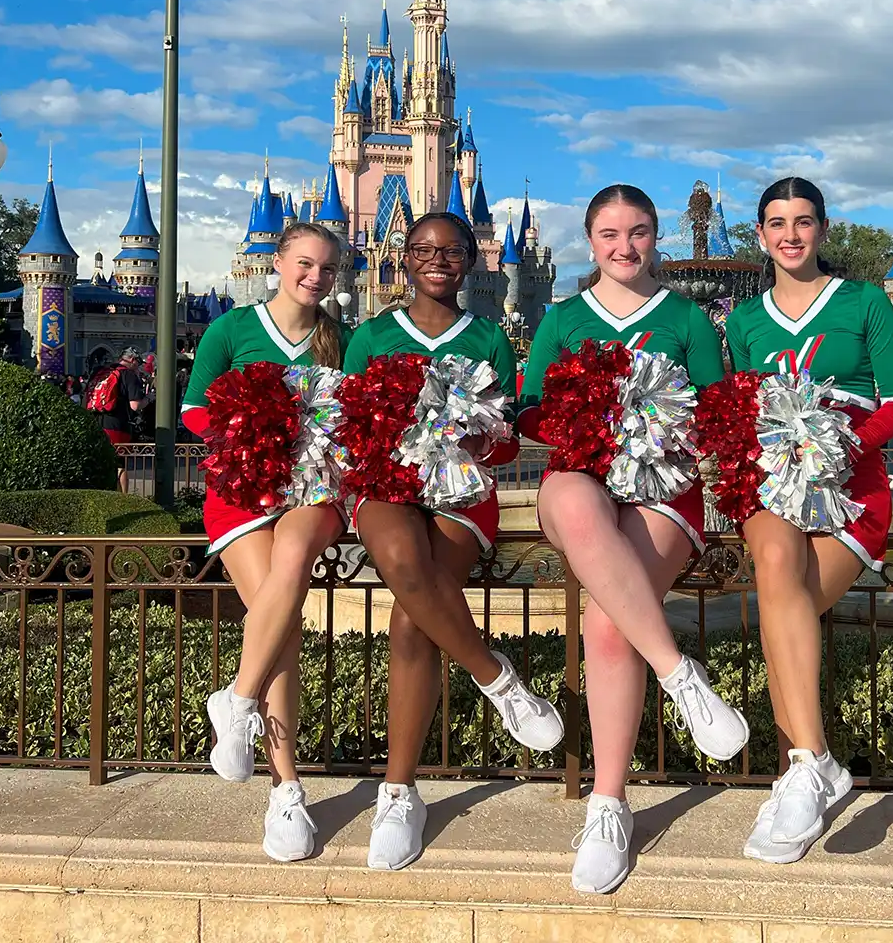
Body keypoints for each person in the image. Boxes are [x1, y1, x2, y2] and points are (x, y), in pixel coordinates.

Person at [521, 184, 748, 895]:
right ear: (590, 239)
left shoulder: (688, 319)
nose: (626, 247)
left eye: (640, 232)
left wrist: (657, 427)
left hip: (661, 489)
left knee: (608, 624)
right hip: (579, 480)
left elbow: (714, 414)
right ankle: (680, 676)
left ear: (657, 238)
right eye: (611, 234)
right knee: (577, 504)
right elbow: (528, 411)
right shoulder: (561, 319)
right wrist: (588, 422)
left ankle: (608, 804)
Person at [344, 212, 563, 872]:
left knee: (414, 624)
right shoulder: (372, 335)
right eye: (424, 249)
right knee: (407, 564)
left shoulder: (490, 338)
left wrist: (476, 439)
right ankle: (496, 678)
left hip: (461, 495)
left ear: (472, 260)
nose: (438, 259)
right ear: (404, 258)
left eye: (452, 250)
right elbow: (350, 424)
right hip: (384, 486)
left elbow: (504, 440)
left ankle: (398, 791)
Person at [724, 177, 893, 865]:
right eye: (777, 222)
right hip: (774, 490)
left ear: (824, 230)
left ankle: (797, 775)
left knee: (786, 608)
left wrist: (840, 442)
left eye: (804, 221)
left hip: (850, 492)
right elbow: (742, 410)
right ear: (760, 234)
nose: (791, 234)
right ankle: (811, 765)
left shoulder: (863, 301)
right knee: (777, 566)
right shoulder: (744, 321)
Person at [180, 222, 351, 864]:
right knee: (278, 629)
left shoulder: (342, 339)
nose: (315, 276)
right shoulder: (231, 330)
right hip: (244, 491)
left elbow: (357, 411)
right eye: (305, 263)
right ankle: (287, 790)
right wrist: (252, 422)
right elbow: (194, 408)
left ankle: (239, 701)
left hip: (312, 494)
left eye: (328, 268)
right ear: (276, 262)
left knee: (287, 578)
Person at [85, 346, 146, 492]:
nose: (139, 367)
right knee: (120, 465)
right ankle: (122, 499)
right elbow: (135, 406)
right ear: (132, 360)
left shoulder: (101, 372)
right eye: (138, 363)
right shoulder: (128, 375)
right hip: (117, 426)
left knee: (100, 462)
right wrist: (149, 399)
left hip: (95, 422)